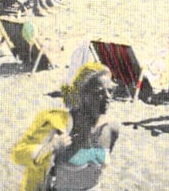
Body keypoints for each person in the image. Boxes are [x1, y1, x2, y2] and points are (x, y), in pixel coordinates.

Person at [12, 62, 119, 191]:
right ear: (83, 93)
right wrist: (50, 147)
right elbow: (17, 153)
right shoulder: (60, 123)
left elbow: (98, 174)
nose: (107, 96)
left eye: (110, 90)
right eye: (99, 91)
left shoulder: (112, 129)